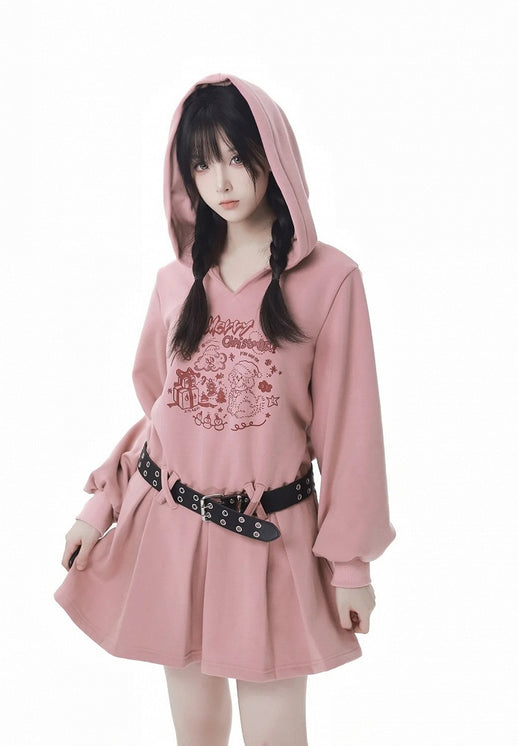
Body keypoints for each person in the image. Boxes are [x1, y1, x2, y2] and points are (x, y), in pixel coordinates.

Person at [54, 72, 396, 746]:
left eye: (237, 155)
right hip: (170, 529)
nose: (222, 180)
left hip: (267, 538)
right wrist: (102, 505)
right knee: (198, 732)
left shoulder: (330, 280)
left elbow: (351, 435)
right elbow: (164, 416)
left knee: (275, 734)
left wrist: (350, 565)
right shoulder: (173, 282)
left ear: (273, 153)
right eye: (202, 162)